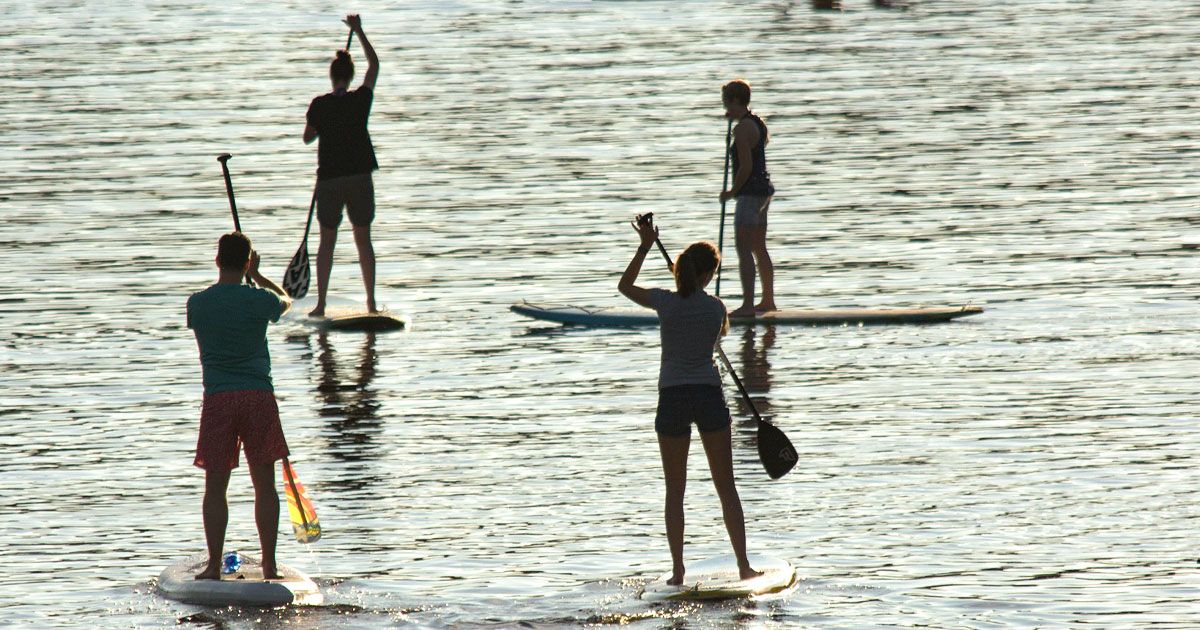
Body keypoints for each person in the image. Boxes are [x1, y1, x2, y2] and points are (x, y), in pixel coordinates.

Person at [618, 216, 762, 585]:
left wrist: (646, 245)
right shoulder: (716, 309)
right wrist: (694, 290)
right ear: (709, 275)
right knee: (725, 485)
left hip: (672, 398)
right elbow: (714, 326)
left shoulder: (664, 302)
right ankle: (744, 566)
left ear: (680, 270)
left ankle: (678, 571)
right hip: (707, 394)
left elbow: (625, 286)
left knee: (675, 490)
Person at [186, 232, 293, 580]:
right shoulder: (259, 299)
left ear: (217, 260)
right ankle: (270, 564)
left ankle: (214, 566)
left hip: (218, 400)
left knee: (215, 488)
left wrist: (245, 280)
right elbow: (286, 302)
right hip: (258, 398)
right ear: (247, 262)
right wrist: (258, 278)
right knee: (265, 485)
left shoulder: (197, 304)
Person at [304, 14, 381, 317]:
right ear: (350, 77)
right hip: (360, 178)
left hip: (330, 181)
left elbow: (307, 138)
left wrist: (324, 124)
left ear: (331, 76)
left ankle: (321, 305)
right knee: (364, 241)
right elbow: (374, 66)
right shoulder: (361, 100)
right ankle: (371, 303)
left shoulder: (320, 104)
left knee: (327, 243)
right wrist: (359, 31)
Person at [719, 80, 777, 318]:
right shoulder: (757, 122)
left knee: (743, 249)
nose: (725, 108)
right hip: (764, 191)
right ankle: (767, 300)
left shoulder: (742, 129)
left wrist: (731, 192)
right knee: (758, 247)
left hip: (750, 194)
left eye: (726, 103)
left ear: (734, 100)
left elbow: (745, 167)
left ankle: (747, 306)